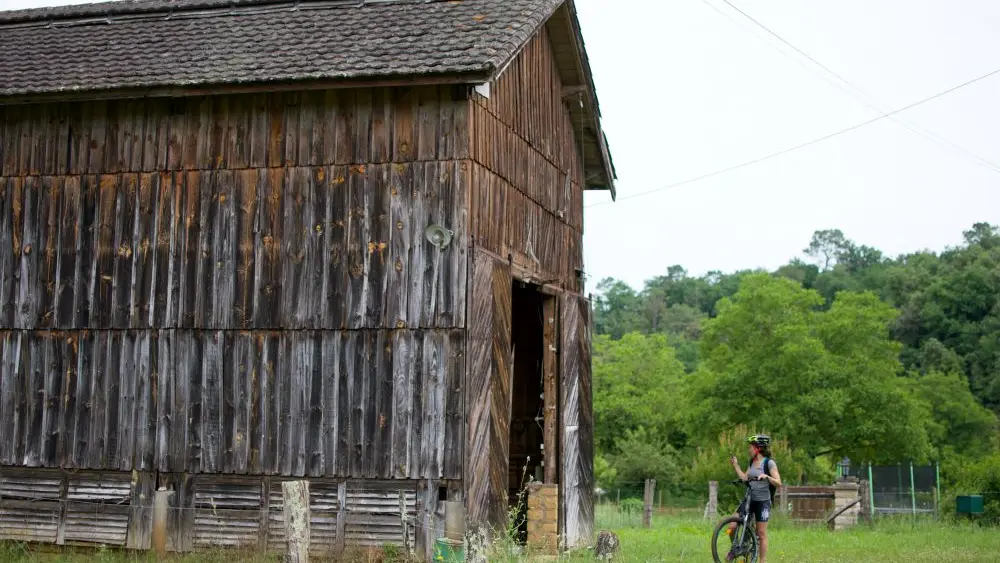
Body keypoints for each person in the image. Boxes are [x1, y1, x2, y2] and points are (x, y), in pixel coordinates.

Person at [727, 434, 782, 563]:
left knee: (761, 534)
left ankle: (762, 561)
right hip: (750, 499)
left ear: (758, 448)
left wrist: (767, 477)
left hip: (763, 502)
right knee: (732, 526)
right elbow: (745, 478)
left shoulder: (769, 463)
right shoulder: (752, 462)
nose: (749, 449)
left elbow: (778, 482)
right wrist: (736, 465)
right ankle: (736, 548)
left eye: (750, 447)